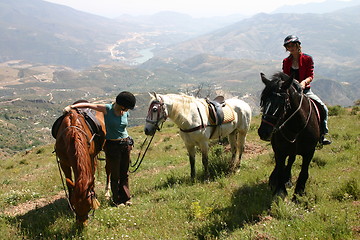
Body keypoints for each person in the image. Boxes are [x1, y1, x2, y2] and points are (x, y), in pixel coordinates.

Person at [63, 91, 136, 206]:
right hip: (113, 146)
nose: (127, 110)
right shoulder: (108, 109)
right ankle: (116, 200)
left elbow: (123, 129)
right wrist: (72, 107)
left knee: (124, 173)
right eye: (127, 107)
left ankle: (126, 198)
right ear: (122, 105)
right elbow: (89, 105)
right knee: (115, 174)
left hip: (125, 144)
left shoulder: (125, 113)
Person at [282, 35, 331, 145]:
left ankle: (322, 134)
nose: (291, 47)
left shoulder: (307, 59)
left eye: (293, 45)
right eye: (288, 46)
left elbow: (310, 75)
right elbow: (285, 76)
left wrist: (304, 82)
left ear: (298, 45)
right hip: (291, 91)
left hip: (305, 91)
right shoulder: (286, 61)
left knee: (323, 108)